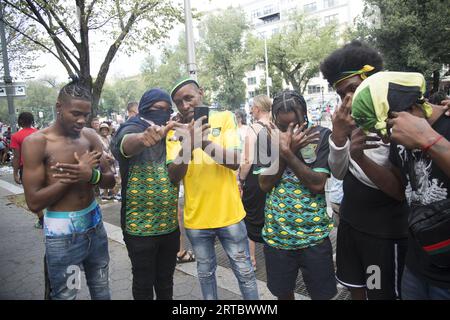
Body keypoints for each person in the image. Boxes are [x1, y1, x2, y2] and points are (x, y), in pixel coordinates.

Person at [320, 40, 409, 300]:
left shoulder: (397, 120)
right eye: (341, 95)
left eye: (353, 89)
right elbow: (337, 173)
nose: (348, 100)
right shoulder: (347, 122)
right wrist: (338, 138)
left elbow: (397, 190)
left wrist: (358, 157)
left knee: (378, 292)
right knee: (355, 287)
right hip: (350, 226)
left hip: (381, 235)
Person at [350, 71, 450, 299]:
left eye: (386, 127)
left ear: (410, 108)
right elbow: (398, 190)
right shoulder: (399, 138)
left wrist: (429, 140)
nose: (385, 139)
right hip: (417, 266)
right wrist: (360, 159)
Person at [21, 77, 116, 300]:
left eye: (86, 114)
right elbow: (34, 202)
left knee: (102, 289)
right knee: (67, 295)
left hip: (95, 227)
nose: (82, 120)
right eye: (76, 113)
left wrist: (91, 175)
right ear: (58, 107)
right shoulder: (37, 143)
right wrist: (74, 176)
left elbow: (110, 181)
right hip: (63, 236)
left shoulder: (90, 136)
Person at [167, 77, 259, 300]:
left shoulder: (224, 118)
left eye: (189, 98)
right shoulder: (174, 132)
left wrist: (204, 143)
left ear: (201, 93)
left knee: (245, 273)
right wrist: (187, 144)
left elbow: (235, 161)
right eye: (179, 102)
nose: (185, 105)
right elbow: (173, 176)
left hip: (230, 216)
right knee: (205, 274)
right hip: (197, 220)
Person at [258, 90, 336, 300]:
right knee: (283, 294)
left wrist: (288, 153)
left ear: (305, 115)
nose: (289, 131)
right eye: (283, 127)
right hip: (277, 238)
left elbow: (317, 184)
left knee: (322, 295)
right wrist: (284, 152)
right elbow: (264, 184)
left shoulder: (321, 136)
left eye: (295, 124)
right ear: (274, 120)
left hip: (315, 237)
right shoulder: (266, 139)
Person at [111, 88, 180, 300]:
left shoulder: (171, 132)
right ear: (144, 109)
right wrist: (143, 139)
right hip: (139, 226)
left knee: (165, 281)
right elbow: (124, 144)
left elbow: (176, 173)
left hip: (168, 225)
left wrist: (190, 145)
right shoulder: (133, 126)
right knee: (143, 282)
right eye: (158, 108)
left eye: (167, 110)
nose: (164, 113)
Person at [239, 94, 272, 271]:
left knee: (250, 218)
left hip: (255, 179)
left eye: (252, 107)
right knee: (270, 215)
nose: (251, 110)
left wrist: (240, 180)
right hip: (274, 177)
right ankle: (273, 256)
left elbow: (247, 160)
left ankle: (251, 259)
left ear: (258, 109)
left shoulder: (252, 129)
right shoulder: (276, 127)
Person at [10, 112, 43, 228]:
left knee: (32, 195)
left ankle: (42, 220)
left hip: (27, 169)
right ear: (32, 121)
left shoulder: (16, 136)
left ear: (20, 122)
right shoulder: (39, 133)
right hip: (42, 167)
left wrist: (15, 173)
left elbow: (17, 157)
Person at [98, 122, 116, 200]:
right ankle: (105, 194)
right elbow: (100, 149)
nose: (104, 131)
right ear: (100, 130)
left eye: (106, 129)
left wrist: (112, 157)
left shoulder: (109, 138)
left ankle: (112, 193)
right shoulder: (98, 138)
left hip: (111, 159)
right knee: (104, 176)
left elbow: (112, 147)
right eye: (103, 130)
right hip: (103, 159)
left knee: (112, 175)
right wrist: (107, 156)